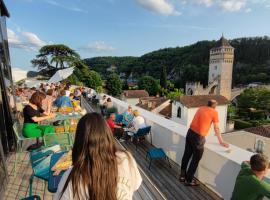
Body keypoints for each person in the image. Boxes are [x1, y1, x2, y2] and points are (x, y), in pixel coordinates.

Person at [54, 113, 142, 200]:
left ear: (79, 141)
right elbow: (136, 184)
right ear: (107, 135)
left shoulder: (74, 177)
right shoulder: (126, 159)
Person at [180, 99, 229, 186]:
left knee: (186, 155)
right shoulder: (214, 112)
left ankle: (182, 176)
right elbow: (216, 128)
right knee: (196, 159)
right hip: (198, 137)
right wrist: (221, 141)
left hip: (190, 132)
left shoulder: (201, 108)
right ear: (215, 106)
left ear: (207, 104)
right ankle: (189, 180)